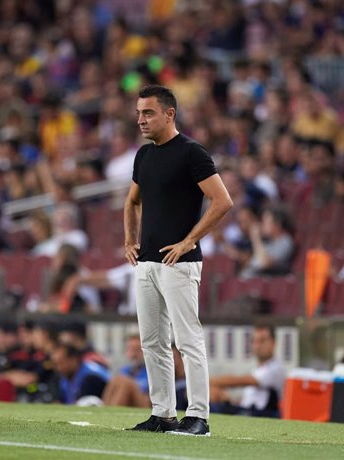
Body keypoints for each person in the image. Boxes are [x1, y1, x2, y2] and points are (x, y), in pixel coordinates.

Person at [124, 85, 233, 436]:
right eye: (139, 112)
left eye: (148, 112)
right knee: (152, 341)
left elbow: (222, 201)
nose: (141, 119)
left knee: (188, 340)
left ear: (170, 114)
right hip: (148, 262)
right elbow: (131, 201)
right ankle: (163, 414)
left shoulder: (191, 153)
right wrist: (129, 240)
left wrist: (189, 241)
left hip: (179, 263)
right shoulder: (144, 155)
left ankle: (198, 416)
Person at [209, 325, 286, 418]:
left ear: (273, 343)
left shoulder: (276, 368)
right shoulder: (258, 369)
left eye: (262, 341)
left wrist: (208, 381)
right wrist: (228, 399)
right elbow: (248, 402)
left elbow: (240, 381)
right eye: (255, 341)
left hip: (262, 415)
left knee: (212, 401)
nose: (258, 345)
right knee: (214, 393)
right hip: (248, 411)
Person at [102, 333, 150, 408]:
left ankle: (113, 412)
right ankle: (106, 409)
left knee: (125, 383)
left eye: (137, 350)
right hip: (129, 401)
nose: (134, 354)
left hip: (146, 402)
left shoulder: (150, 370)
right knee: (116, 380)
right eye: (131, 349)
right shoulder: (125, 370)